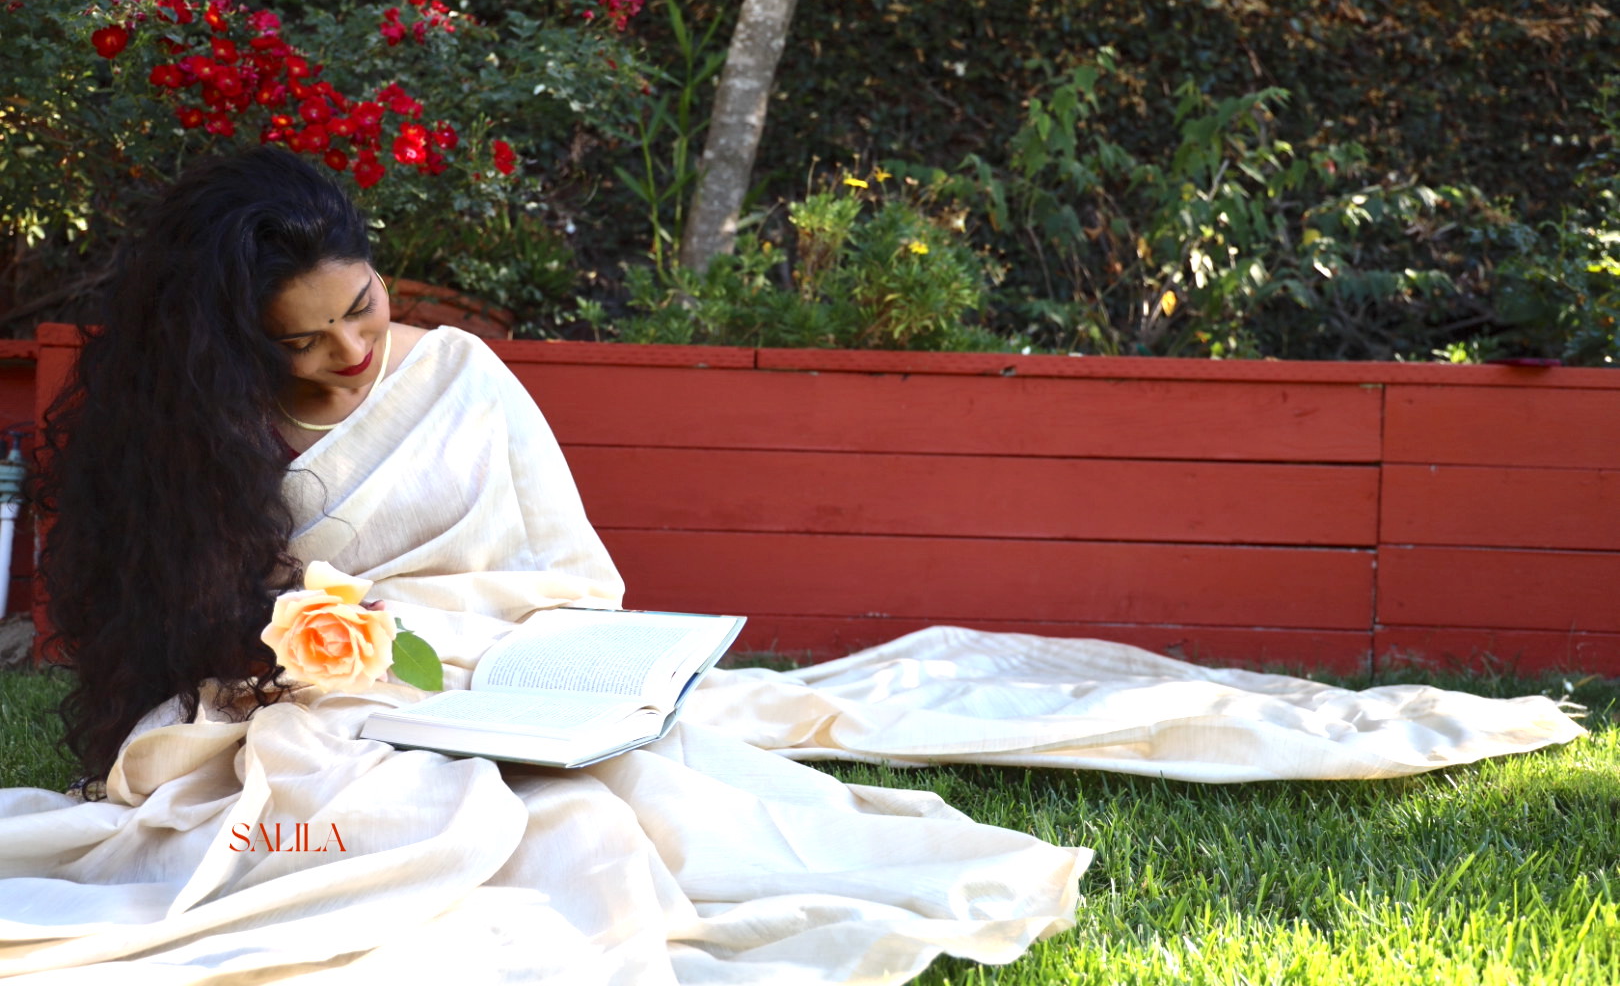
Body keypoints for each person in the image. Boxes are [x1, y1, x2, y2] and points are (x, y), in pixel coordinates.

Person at [0, 148, 1584, 983]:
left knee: (644, 785)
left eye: (365, 309)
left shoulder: (457, 377)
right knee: (389, 809)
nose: (356, 351)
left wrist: (434, 643)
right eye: (312, 340)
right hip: (331, 693)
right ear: (231, 343)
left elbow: (563, 575)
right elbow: (192, 632)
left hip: (491, 665)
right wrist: (317, 655)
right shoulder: (185, 436)